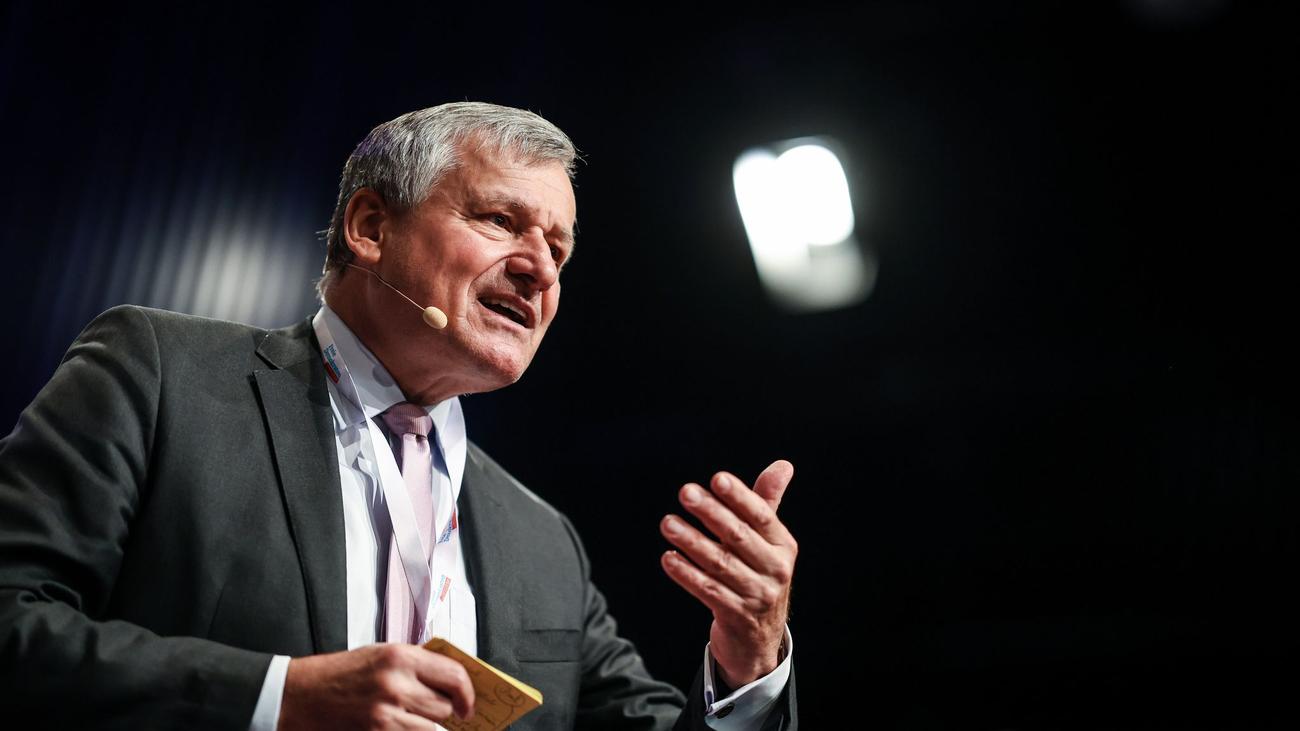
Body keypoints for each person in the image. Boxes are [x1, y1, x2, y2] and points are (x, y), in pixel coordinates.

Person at [0, 102, 799, 730]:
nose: (539, 269)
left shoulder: (542, 541)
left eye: (559, 250)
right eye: (500, 220)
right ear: (371, 228)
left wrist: (751, 659)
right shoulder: (163, 375)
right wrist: (280, 697)